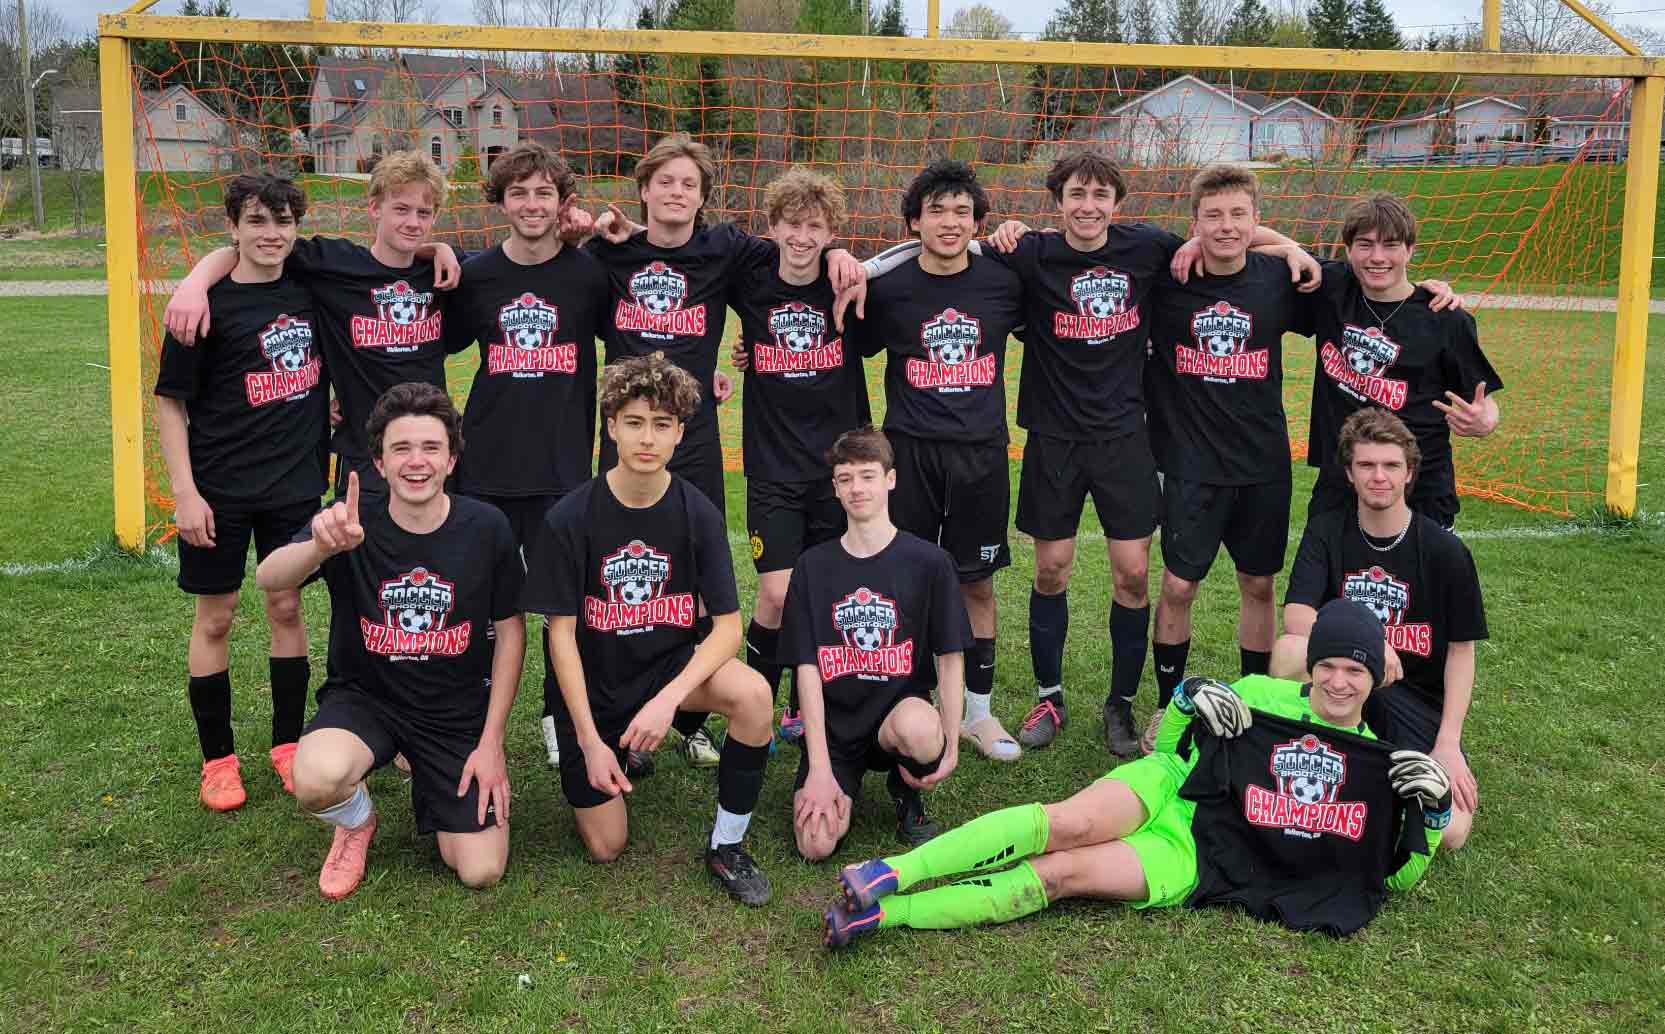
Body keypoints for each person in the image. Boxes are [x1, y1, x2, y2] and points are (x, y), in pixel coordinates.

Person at [908, 152, 1311, 758]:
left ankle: (1120, 702)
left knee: (1131, 574)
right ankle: (1050, 695)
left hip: (1127, 437)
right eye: (1077, 194)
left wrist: (1292, 247)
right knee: (1052, 570)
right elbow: (958, 251)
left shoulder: (1147, 247)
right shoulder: (1032, 253)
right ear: (1059, 200)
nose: (1089, 206)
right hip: (1053, 437)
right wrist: (1004, 231)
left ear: (1116, 203)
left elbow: (1228, 234)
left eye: (1100, 195)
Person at [822, 599, 1452, 946]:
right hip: (1173, 787)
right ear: (1311, 666)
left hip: (1203, 856)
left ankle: (890, 916)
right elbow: (1171, 749)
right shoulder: (1262, 693)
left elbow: (1386, 874)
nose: (1339, 681)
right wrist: (1185, 703)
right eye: (1329, 666)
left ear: (1375, 679)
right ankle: (889, 874)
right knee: (1067, 823)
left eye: (1356, 671)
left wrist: (1432, 814)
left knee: (1063, 875)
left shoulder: (1377, 764)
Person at [589, 134, 864, 767]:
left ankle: (691, 715)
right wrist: (589, 222)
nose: (676, 193)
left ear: (704, 196)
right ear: (643, 189)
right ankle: (614, 710)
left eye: (689, 184)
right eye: (665, 182)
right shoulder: (613, 253)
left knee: (688, 574)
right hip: (626, 437)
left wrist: (843, 249)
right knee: (621, 577)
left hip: (695, 435)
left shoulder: (725, 250)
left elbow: (797, 243)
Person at [520, 353, 777, 905]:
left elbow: (728, 629)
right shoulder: (570, 517)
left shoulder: (697, 511)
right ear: (611, 425)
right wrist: (588, 742)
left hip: (667, 672)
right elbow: (559, 637)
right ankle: (613, 746)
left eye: (662, 425)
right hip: (596, 686)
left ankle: (727, 843)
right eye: (634, 422)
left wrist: (670, 700)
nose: (647, 438)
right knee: (607, 845)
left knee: (754, 694)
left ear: (680, 434)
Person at [256, 383, 526, 899]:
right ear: (378, 463)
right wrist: (319, 545)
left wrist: (491, 743)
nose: (416, 462)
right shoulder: (349, 523)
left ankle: (432, 775)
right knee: (315, 778)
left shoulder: (487, 527)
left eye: (431, 448)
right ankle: (357, 819)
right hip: (368, 700)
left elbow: (512, 633)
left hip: (453, 711)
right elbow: (269, 577)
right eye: (401, 449)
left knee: (479, 869)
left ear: (452, 458)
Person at [844, 159, 1026, 763]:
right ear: (914, 221)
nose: (950, 222)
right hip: (911, 453)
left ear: (978, 222)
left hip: (980, 455)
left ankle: (977, 712)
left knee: (975, 582)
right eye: (937, 210)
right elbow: (841, 342)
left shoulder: (1003, 281)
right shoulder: (888, 288)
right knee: (908, 578)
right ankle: (910, 700)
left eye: (962, 211)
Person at [154, 174, 325, 810]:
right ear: (233, 226)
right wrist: (185, 492)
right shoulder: (199, 306)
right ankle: (218, 759)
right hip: (218, 489)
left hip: (294, 485)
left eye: (282, 221)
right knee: (216, 616)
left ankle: (288, 744)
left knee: (286, 608)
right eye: (256, 221)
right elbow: (171, 404)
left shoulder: (311, 286)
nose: (271, 234)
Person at [441, 142, 608, 770]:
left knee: (564, 608)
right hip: (485, 464)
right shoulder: (476, 274)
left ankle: (557, 717)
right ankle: (466, 720)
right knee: (479, 606)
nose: (531, 204)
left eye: (543, 193)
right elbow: (426, 342)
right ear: (500, 201)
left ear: (562, 203)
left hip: (563, 469)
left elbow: (638, 336)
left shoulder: (589, 274)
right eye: (519, 192)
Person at [164, 150, 463, 499]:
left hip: (431, 449)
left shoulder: (447, 274)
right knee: (358, 547)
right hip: (364, 452)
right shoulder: (332, 264)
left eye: (423, 213)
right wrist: (195, 282)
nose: (413, 222)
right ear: (374, 208)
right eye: (401, 209)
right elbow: (259, 246)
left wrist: (441, 248)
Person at [1272, 407, 1486, 850]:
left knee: (1450, 833)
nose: (1379, 476)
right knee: (1291, 650)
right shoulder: (1327, 531)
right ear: (1349, 473)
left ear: (1409, 473)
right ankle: (1301, 761)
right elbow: (1296, 615)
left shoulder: (1445, 552)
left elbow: (1462, 654)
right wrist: (1364, 646)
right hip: (1342, 682)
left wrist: (1448, 742)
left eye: (1391, 465)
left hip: (1412, 700)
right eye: (1366, 465)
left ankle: (1372, 777)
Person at [726, 168, 872, 741]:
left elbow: (919, 256)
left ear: (831, 230)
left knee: (829, 590)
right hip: (772, 465)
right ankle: (757, 703)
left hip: (838, 470)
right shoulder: (752, 281)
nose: (803, 236)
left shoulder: (850, 286)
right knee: (778, 593)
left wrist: (847, 257)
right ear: (773, 227)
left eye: (816, 227)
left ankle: (809, 705)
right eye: (793, 224)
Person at [780, 426, 971, 859]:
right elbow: (806, 669)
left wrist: (951, 742)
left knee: (921, 732)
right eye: (845, 479)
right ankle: (838, 780)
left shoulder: (929, 562)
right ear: (835, 488)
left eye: (867, 475)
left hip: (897, 717)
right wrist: (820, 770)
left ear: (890, 479)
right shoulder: (812, 566)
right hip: (834, 729)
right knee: (816, 846)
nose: (857, 488)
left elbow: (951, 655)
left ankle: (905, 790)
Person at [1300, 192, 1503, 529]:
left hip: (1419, 488)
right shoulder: (1333, 288)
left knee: (1421, 583)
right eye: (1365, 245)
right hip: (1341, 482)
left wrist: (1486, 421)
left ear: (1409, 250)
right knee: (1324, 582)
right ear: (1348, 250)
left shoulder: (1446, 319)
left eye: (1391, 245)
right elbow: (1261, 243)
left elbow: (1483, 399)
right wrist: (1197, 243)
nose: (1377, 257)